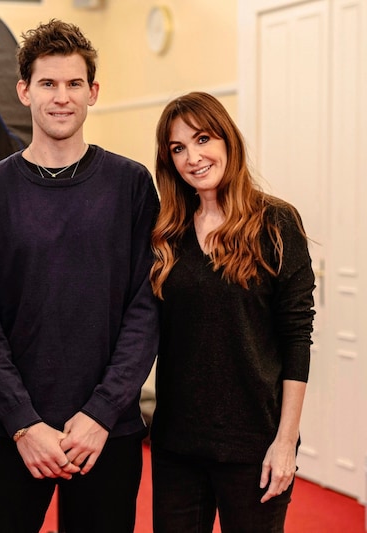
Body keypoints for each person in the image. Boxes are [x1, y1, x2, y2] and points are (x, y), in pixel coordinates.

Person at [0, 20, 160, 532]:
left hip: (106, 434)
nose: (61, 97)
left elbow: (146, 308)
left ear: (93, 92)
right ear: (25, 91)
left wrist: (102, 412)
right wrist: (24, 423)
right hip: (13, 432)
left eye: (74, 84)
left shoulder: (131, 185)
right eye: (48, 83)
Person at [148, 91, 316, 532]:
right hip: (177, 444)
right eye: (178, 149)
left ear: (228, 140)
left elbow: (297, 337)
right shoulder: (167, 234)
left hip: (254, 444)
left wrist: (285, 442)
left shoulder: (276, 224)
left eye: (202, 139)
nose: (193, 157)